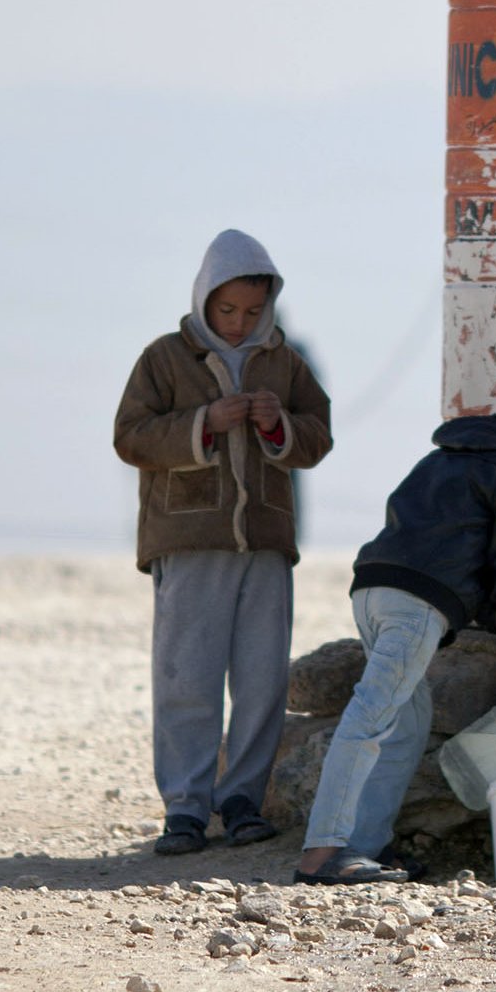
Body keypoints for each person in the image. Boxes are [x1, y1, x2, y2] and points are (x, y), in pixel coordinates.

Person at [293, 394, 496, 885]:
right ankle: (321, 855)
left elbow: (461, 556)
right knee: (371, 718)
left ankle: (365, 846)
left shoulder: (446, 454)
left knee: (408, 720)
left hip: (373, 589)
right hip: (414, 605)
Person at [114, 229, 332, 856]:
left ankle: (242, 801)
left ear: (270, 307)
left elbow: (317, 438)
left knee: (263, 680)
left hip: (264, 543)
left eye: (253, 312)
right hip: (188, 543)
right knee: (188, 677)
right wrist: (202, 424)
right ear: (205, 300)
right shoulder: (163, 359)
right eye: (227, 310)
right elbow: (130, 437)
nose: (240, 324)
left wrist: (277, 425)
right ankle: (185, 807)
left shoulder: (286, 363)